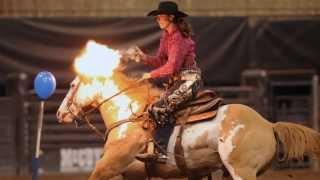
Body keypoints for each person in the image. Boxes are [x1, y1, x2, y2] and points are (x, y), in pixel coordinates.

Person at [125, 1, 202, 161]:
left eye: (160, 17)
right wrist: (142, 57)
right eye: (157, 17)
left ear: (171, 18)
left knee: (159, 109)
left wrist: (149, 75)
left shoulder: (178, 38)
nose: (158, 19)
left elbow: (172, 66)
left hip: (189, 81)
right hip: (179, 82)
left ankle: (161, 152)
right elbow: (161, 61)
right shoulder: (166, 36)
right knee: (153, 107)